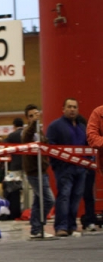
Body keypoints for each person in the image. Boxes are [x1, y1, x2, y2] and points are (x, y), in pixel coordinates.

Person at [46, 98, 88, 237]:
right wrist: (57, 165)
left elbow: (88, 146)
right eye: (69, 107)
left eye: (75, 107)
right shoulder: (55, 126)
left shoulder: (82, 127)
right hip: (64, 168)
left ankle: (71, 225)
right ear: (63, 109)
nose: (72, 109)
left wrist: (89, 162)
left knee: (76, 197)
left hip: (81, 168)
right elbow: (50, 147)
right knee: (64, 196)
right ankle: (61, 226)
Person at [21, 104, 55, 238]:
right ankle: (39, 226)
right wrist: (34, 123)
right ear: (27, 118)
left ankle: (36, 229)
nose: (34, 117)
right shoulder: (27, 131)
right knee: (48, 200)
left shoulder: (39, 131)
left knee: (38, 201)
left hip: (42, 170)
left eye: (36, 114)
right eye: (31, 116)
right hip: (34, 172)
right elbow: (26, 138)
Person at [76, 114, 97, 231]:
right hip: (89, 166)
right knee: (88, 195)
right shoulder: (90, 132)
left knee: (75, 195)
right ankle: (90, 220)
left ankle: (72, 222)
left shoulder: (78, 131)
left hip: (79, 166)